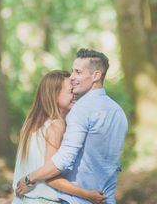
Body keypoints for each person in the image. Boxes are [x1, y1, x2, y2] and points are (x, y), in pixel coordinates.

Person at [16, 49, 128, 204]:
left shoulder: (80, 110)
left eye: (78, 72)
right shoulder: (119, 112)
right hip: (105, 199)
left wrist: (29, 178)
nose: (73, 77)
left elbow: (62, 160)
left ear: (96, 75)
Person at [12, 69, 106, 204]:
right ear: (55, 95)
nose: (75, 93)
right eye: (70, 90)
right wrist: (88, 195)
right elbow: (52, 177)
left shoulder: (30, 125)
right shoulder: (57, 125)